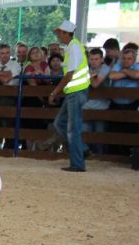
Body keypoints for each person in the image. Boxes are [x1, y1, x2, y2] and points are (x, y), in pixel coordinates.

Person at [47, 20, 91, 172]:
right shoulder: (73, 46)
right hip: (75, 92)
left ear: (66, 33)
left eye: (59, 32)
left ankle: (78, 163)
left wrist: (55, 92)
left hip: (75, 92)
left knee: (72, 128)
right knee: (61, 123)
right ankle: (82, 150)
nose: (58, 35)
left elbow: (70, 74)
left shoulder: (73, 48)